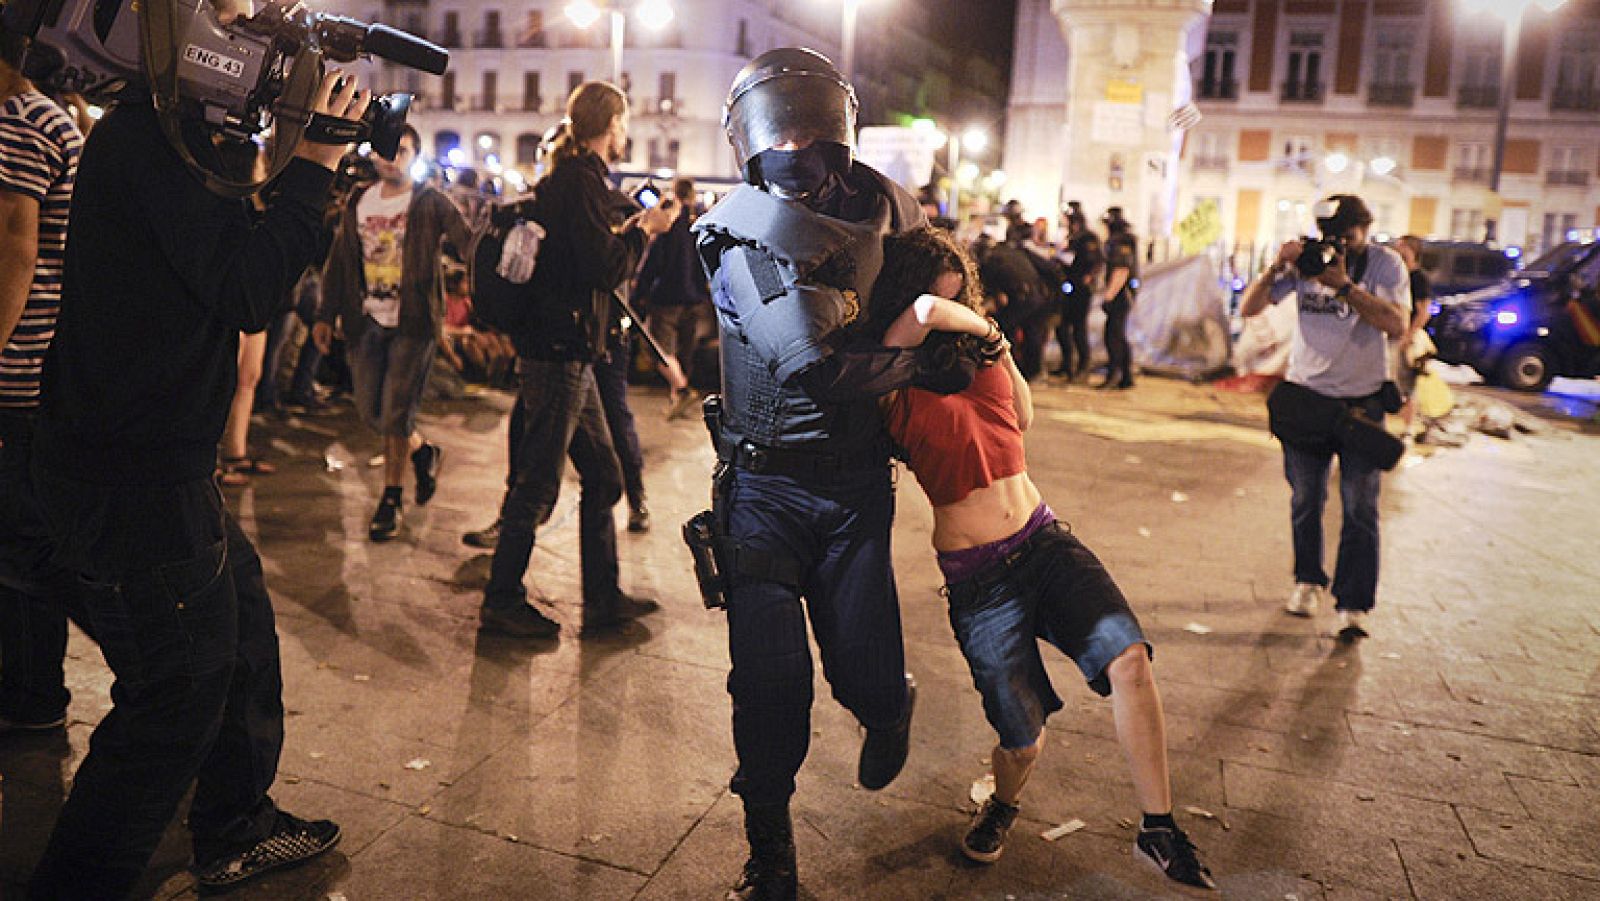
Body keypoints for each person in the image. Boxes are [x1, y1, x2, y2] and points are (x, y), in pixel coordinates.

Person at [25, 35, 370, 896]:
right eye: (236, 21)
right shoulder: (155, 139)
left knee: (241, 627)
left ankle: (234, 823)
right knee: (174, 700)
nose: (258, 44)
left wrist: (295, 166)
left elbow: (228, 264)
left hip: (154, 460)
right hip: (134, 472)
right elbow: (247, 290)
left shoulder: (175, 138)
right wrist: (315, 163)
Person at [866, 226, 1216, 890]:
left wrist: (993, 346)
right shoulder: (893, 375)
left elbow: (1021, 416)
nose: (952, 306)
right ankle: (1004, 803)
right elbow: (922, 314)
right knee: (1021, 738)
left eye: (961, 294)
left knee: (1129, 657)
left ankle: (1158, 828)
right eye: (945, 296)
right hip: (979, 582)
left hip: (1043, 540)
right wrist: (981, 326)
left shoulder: (980, 357)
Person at [692, 48, 927, 901]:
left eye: (809, 128)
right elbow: (810, 364)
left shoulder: (889, 214)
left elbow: (938, 287)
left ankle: (888, 705)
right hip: (764, 490)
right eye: (778, 131)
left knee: (864, 668)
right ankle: (771, 854)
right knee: (770, 683)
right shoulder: (737, 232)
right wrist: (921, 364)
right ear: (750, 142)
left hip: (856, 488)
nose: (794, 146)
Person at [477, 80, 673, 640]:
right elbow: (604, 269)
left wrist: (628, 232)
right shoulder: (579, 180)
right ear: (611, 126)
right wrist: (645, 234)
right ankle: (502, 599)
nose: (626, 132)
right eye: (624, 123)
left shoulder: (574, 180)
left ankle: (603, 598)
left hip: (572, 351)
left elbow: (587, 254)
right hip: (558, 351)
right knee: (538, 483)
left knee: (604, 475)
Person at [1238, 195, 1409, 637]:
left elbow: (1397, 325)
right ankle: (1308, 581)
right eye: (1331, 235)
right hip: (1308, 401)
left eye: (1347, 236)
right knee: (1305, 499)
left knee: (1360, 507)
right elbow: (1249, 309)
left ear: (1365, 230)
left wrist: (1344, 286)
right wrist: (1277, 267)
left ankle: (1353, 605)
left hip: (1362, 403)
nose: (1339, 245)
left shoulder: (1385, 265)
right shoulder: (1307, 262)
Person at [316, 125, 471, 540]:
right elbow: (340, 259)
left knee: (396, 414)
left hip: (413, 325)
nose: (393, 158)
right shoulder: (359, 199)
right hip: (365, 322)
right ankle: (423, 451)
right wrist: (325, 315)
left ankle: (391, 499)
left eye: (402, 151)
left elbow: (468, 243)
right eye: (387, 150)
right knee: (372, 414)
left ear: (416, 155)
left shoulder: (430, 202)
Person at [0, 22, 82, 739]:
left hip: (17, 370)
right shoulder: (46, 117)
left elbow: (15, 254)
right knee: (27, 538)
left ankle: (31, 694)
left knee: (21, 544)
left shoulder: (20, 123)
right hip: (39, 366)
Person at [634, 176, 716, 421]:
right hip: (696, 300)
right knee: (685, 352)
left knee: (659, 349)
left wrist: (639, 294)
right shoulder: (701, 223)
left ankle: (681, 389)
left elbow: (653, 263)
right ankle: (678, 399)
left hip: (667, 298)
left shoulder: (667, 223)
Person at [1053, 207, 1101, 380]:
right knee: (1062, 327)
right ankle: (1067, 365)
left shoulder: (1088, 238)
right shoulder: (1073, 237)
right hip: (1069, 288)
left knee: (1079, 329)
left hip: (1081, 290)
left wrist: (1087, 278)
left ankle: (1083, 367)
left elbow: (1093, 263)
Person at [1392, 235, 1432, 435]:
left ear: (1413, 251)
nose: (1397, 251)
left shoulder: (1418, 278)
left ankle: (1406, 428)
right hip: (1394, 336)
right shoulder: (1396, 274)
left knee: (1407, 385)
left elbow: (1424, 312)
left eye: (1403, 248)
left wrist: (1408, 336)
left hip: (1407, 339)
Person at [1099, 206, 1139, 390]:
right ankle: (1126, 377)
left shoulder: (1119, 241)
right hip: (1123, 295)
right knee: (1118, 335)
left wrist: (1109, 296)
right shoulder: (1125, 239)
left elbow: (1121, 270)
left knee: (1113, 337)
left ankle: (1114, 375)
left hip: (1120, 296)